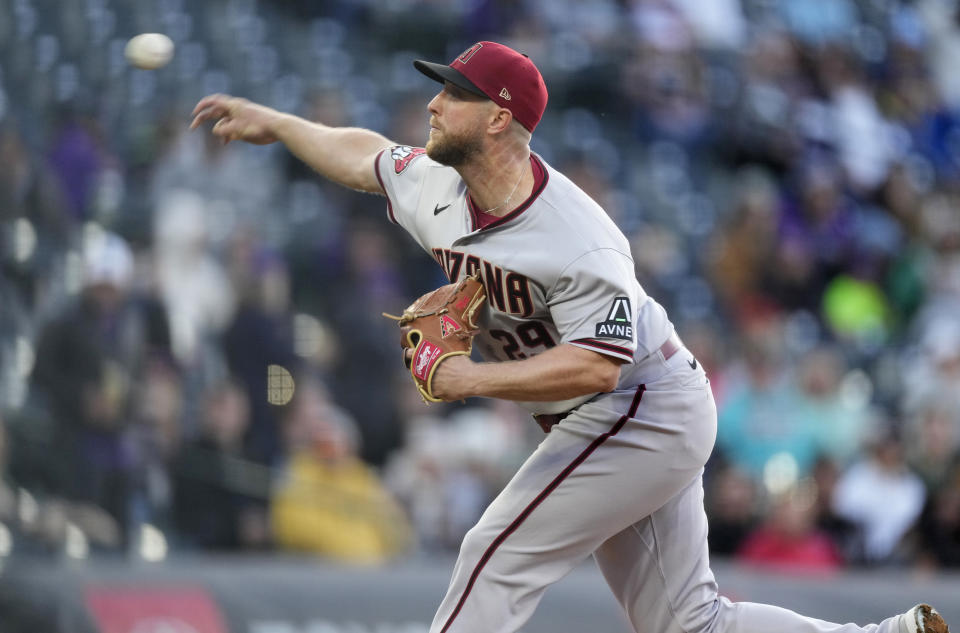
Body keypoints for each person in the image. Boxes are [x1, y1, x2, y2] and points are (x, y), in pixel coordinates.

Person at [190, 40, 949, 633]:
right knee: (688, 621)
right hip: (615, 412)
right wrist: (284, 125)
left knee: (492, 552)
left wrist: (467, 381)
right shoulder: (437, 185)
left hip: (643, 401)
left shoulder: (581, 239)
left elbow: (595, 368)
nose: (432, 104)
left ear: (497, 118)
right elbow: (364, 157)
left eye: (452, 93)